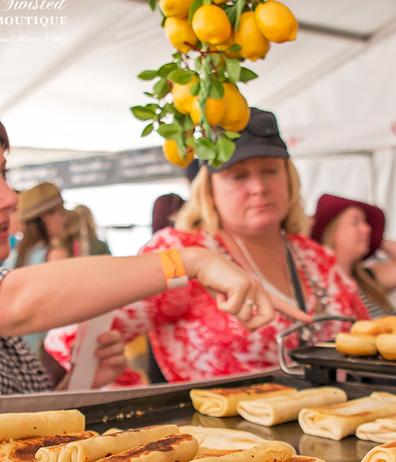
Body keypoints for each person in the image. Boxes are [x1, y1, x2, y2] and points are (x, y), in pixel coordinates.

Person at [0, 87, 305, 402]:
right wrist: (190, 261)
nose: (9, 197)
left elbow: (1, 418)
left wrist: (69, 379)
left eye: (3, 175)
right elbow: (18, 302)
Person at [45, 108, 364, 384]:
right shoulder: (182, 253)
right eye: (238, 176)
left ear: (290, 178)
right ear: (208, 189)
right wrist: (134, 400)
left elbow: (369, 336)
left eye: (271, 170)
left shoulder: (314, 256)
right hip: (226, 447)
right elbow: (71, 335)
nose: (259, 187)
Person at [311, 194, 396, 318]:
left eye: (365, 223)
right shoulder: (317, 286)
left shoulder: (367, 278)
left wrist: (378, 239)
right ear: (332, 231)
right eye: (355, 222)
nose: (367, 228)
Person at [10, 182, 70, 268]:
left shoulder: (13, 256)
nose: (64, 220)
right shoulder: (54, 256)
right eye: (62, 213)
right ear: (45, 217)